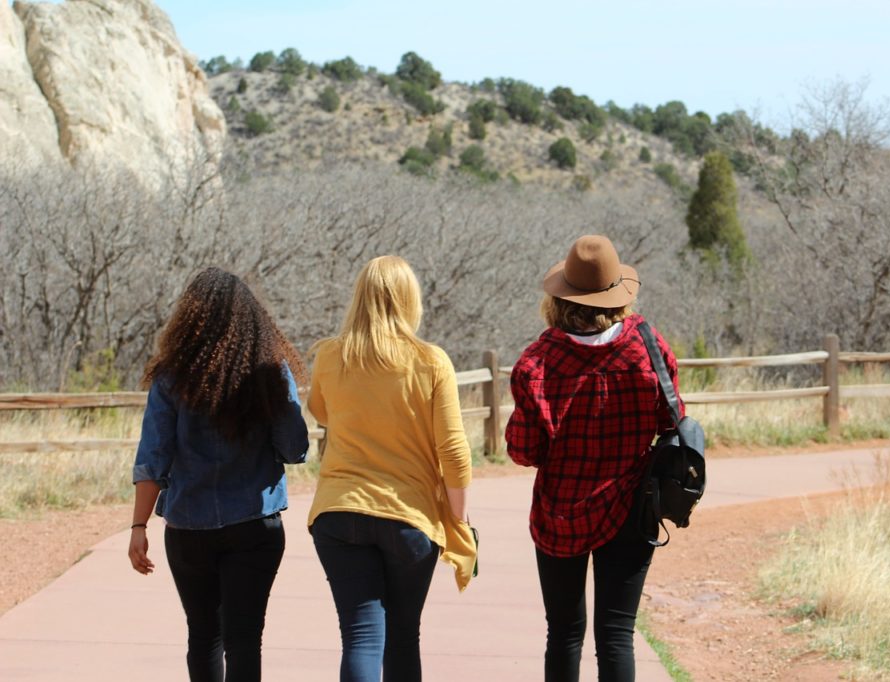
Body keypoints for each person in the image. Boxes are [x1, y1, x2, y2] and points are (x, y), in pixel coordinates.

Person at [505, 234, 680, 682]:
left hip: (559, 512)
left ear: (561, 297)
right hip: (631, 506)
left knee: (563, 632)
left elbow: (524, 452)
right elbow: (672, 417)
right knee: (616, 632)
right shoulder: (647, 346)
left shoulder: (537, 363)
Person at [128, 267, 309, 682]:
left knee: (203, 636)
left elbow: (153, 456)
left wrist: (138, 525)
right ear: (253, 319)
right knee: (245, 639)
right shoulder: (270, 371)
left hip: (189, 528)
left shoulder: (171, 377)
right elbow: (294, 448)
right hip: (254, 524)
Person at [306, 255, 475, 682]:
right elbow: (454, 450)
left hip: (338, 512)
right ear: (409, 300)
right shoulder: (431, 361)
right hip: (409, 518)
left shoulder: (330, 355)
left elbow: (320, 412)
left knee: (360, 636)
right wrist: (459, 520)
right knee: (403, 635)